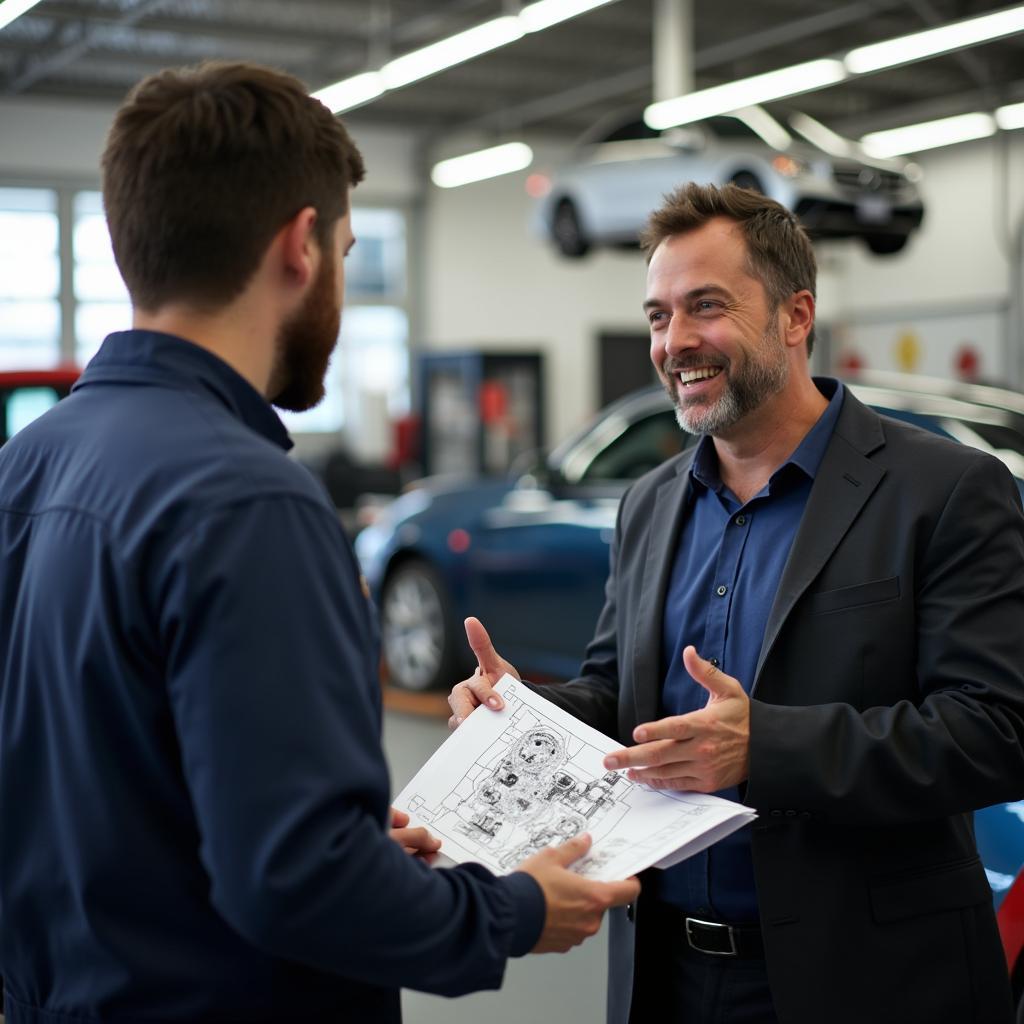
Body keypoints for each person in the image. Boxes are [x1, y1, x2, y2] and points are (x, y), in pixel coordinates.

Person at [0, 61, 639, 1024]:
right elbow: (291, 882)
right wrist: (509, 909)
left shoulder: (29, 465)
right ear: (301, 247)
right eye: (344, 249)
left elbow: (107, 788)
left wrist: (335, 838)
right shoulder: (251, 500)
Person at [449, 182, 1024, 1024]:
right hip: (668, 975)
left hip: (870, 979)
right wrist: (524, 713)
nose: (674, 342)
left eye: (705, 307)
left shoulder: (944, 491)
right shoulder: (649, 502)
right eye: (656, 316)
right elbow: (618, 695)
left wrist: (766, 748)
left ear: (796, 316)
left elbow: (996, 731)